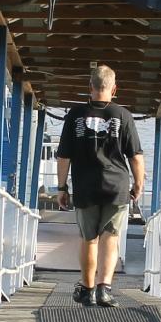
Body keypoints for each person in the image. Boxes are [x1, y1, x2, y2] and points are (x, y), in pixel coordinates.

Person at [53, 63, 144, 307]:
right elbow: (135, 156)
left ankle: (87, 290)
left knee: (89, 239)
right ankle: (105, 289)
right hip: (116, 186)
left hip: (86, 186)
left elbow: (64, 156)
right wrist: (138, 185)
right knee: (110, 238)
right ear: (114, 89)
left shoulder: (74, 115)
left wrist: (61, 188)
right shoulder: (123, 115)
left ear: (90, 87)